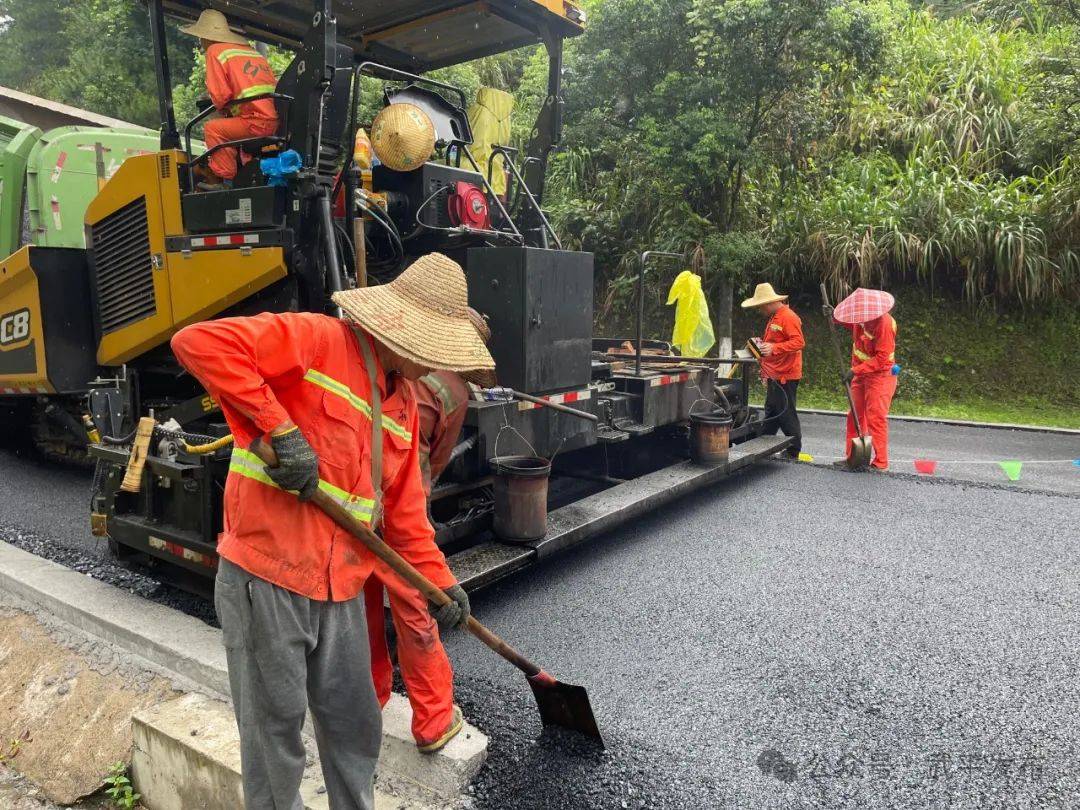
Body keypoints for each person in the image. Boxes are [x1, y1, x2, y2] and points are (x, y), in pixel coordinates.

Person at [170, 252, 495, 810]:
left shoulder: (403, 404)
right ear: (401, 328)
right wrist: (279, 429)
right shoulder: (317, 340)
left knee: (355, 722)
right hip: (268, 576)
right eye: (430, 349)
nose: (433, 364)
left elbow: (406, 518)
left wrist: (440, 585)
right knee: (275, 735)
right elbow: (199, 343)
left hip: (341, 586)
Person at [363, 309, 491, 753]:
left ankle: (371, 698)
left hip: (361, 495)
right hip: (399, 497)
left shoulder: (395, 371)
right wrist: (416, 500)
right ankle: (434, 720)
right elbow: (435, 462)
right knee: (415, 601)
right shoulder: (455, 390)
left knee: (363, 600)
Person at [181, 10, 279, 189]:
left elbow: (220, 97)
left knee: (213, 129)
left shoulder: (215, 51)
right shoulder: (251, 52)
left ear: (206, 37)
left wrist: (221, 106)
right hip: (275, 120)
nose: (201, 42)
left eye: (200, 38)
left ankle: (223, 181)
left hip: (257, 122)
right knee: (229, 129)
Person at [824, 288, 898, 472]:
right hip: (860, 374)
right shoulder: (861, 317)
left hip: (881, 376)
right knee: (855, 415)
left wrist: (854, 370)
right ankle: (853, 457)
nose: (859, 318)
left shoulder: (885, 324)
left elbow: (881, 360)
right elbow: (852, 324)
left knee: (876, 418)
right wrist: (833, 316)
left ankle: (880, 463)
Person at [741, 282, 804, 459]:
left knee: (786, 412)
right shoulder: (775, 317)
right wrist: (762, 346)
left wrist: (774, 348)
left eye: (760, 306)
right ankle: (763, 445)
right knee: (772, 411)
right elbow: (774, 342)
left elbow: (799, 342)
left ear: (768, 303)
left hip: (785, 374)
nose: (759, 310)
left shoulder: (788, 317)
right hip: (774, 373)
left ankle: (793, 451)